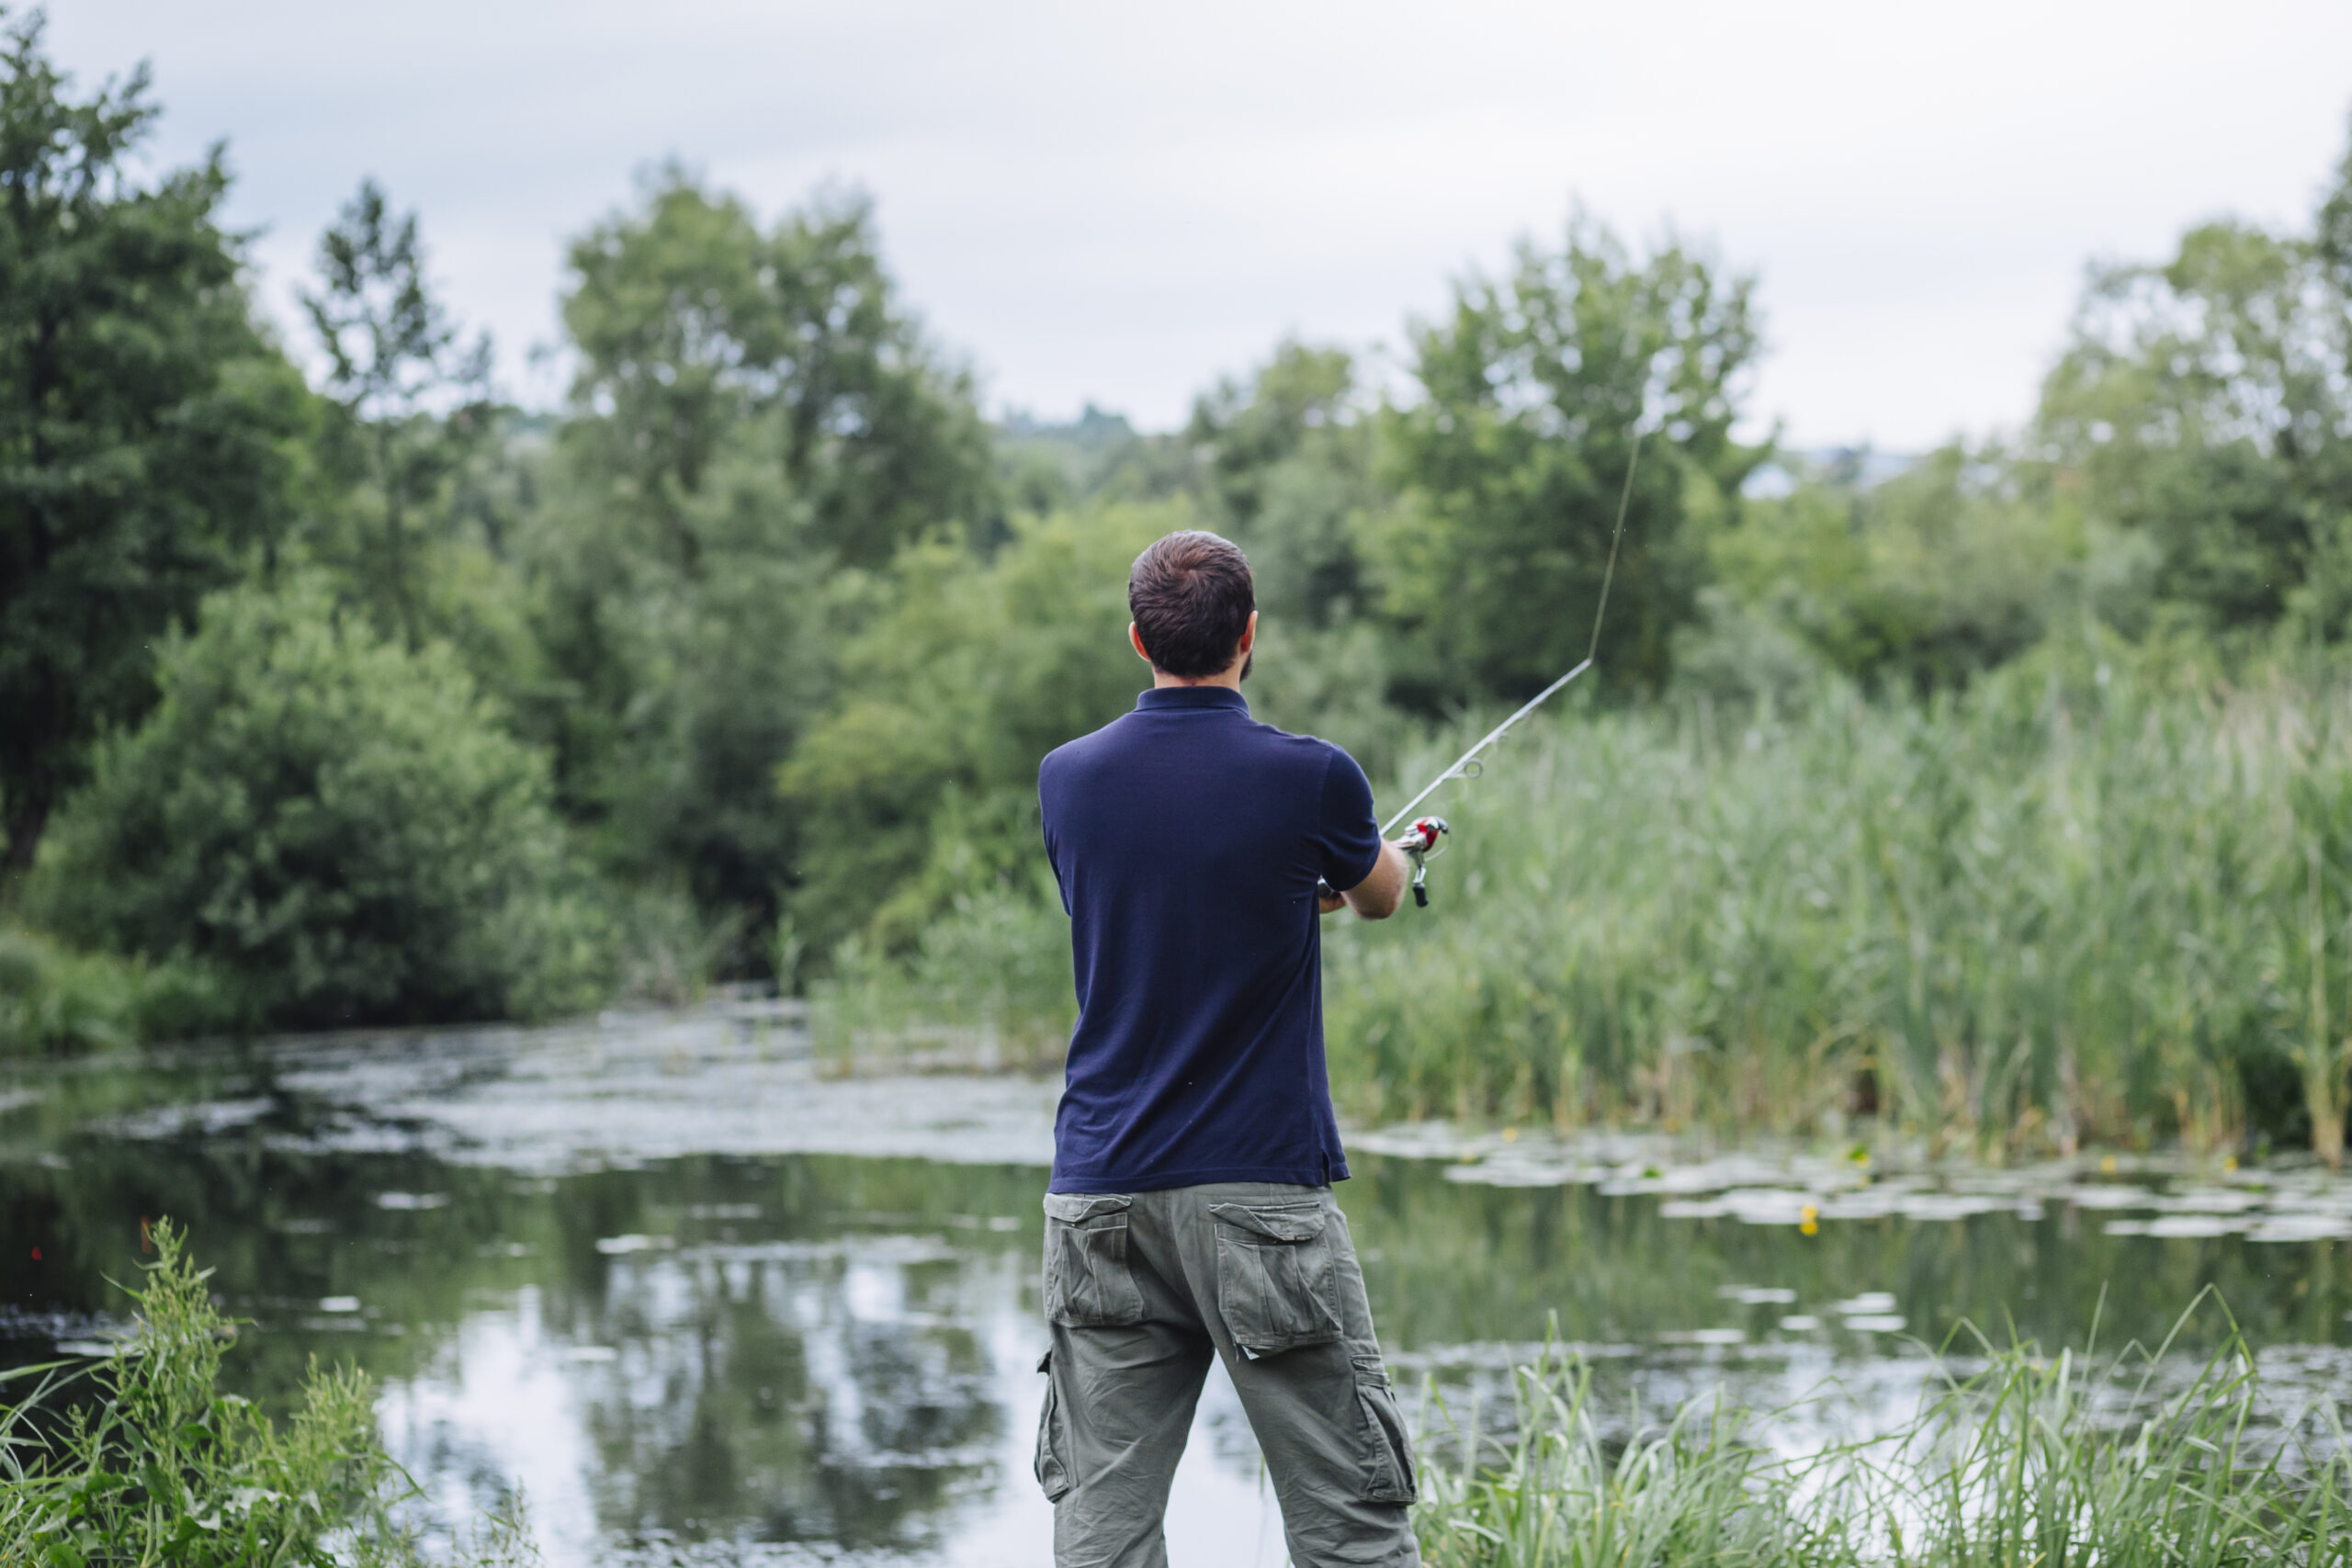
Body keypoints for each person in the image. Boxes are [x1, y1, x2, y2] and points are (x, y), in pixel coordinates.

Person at [1032, 529, 1420, 1568]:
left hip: (1099, 1197)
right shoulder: (1315, 779)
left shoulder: (1065, 780)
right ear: (1250, 636)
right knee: (1351, 1523)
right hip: (1259, 1202)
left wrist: (1300, 886)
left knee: (1100, 1534)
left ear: (1135, 638)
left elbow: (1157, 906)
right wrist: (1377, 860)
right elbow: (1379, 896)